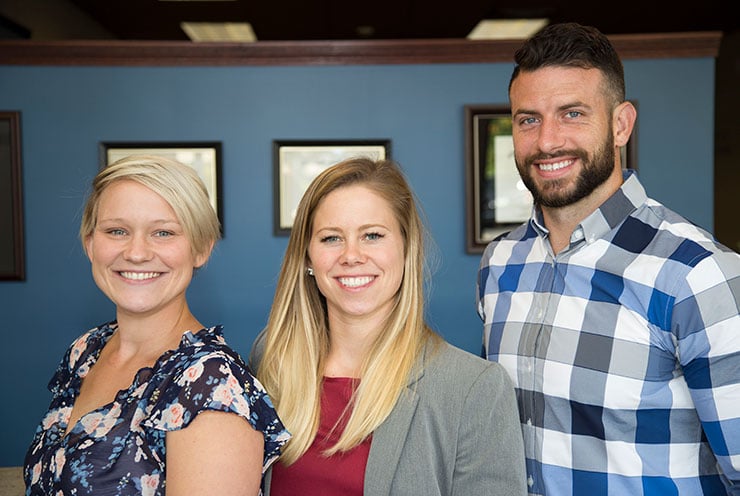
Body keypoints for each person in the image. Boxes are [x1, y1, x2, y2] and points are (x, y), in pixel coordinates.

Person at [476, 22, 740, 495]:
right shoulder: (500, 264)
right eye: (528, 119)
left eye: (572, 113)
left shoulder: (697, 273)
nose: (548, 141)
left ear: (621, 124)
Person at [251, 157, 527, 495]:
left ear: (406, 248)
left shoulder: (473, 389)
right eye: (331, 238)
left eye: (372, 235)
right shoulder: (271, 359)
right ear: (307, 257)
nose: (351, 255)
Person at [24, 155, 290, 496]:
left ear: (201, 249)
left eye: (163, 232)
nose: (136, 253)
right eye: (117, 231)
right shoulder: (86, 350)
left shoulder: (211, 387)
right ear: (90, 243)